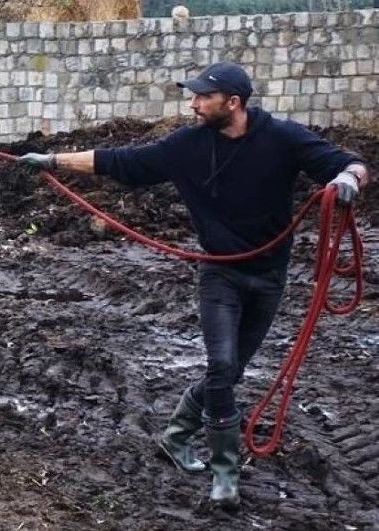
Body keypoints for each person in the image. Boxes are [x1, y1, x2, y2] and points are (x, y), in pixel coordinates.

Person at [18, 61, 369, 509]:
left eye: (203, 96)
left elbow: (350, 164)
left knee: (232, 370)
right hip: (219, 272)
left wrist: (346, 181)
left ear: (234, 103)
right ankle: (225, 474)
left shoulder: (283, 138)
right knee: (222, 367)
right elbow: (121, 161)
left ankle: (176, 436)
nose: (193, 103)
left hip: (269, 277)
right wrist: (51, 160)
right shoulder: (186, 145)